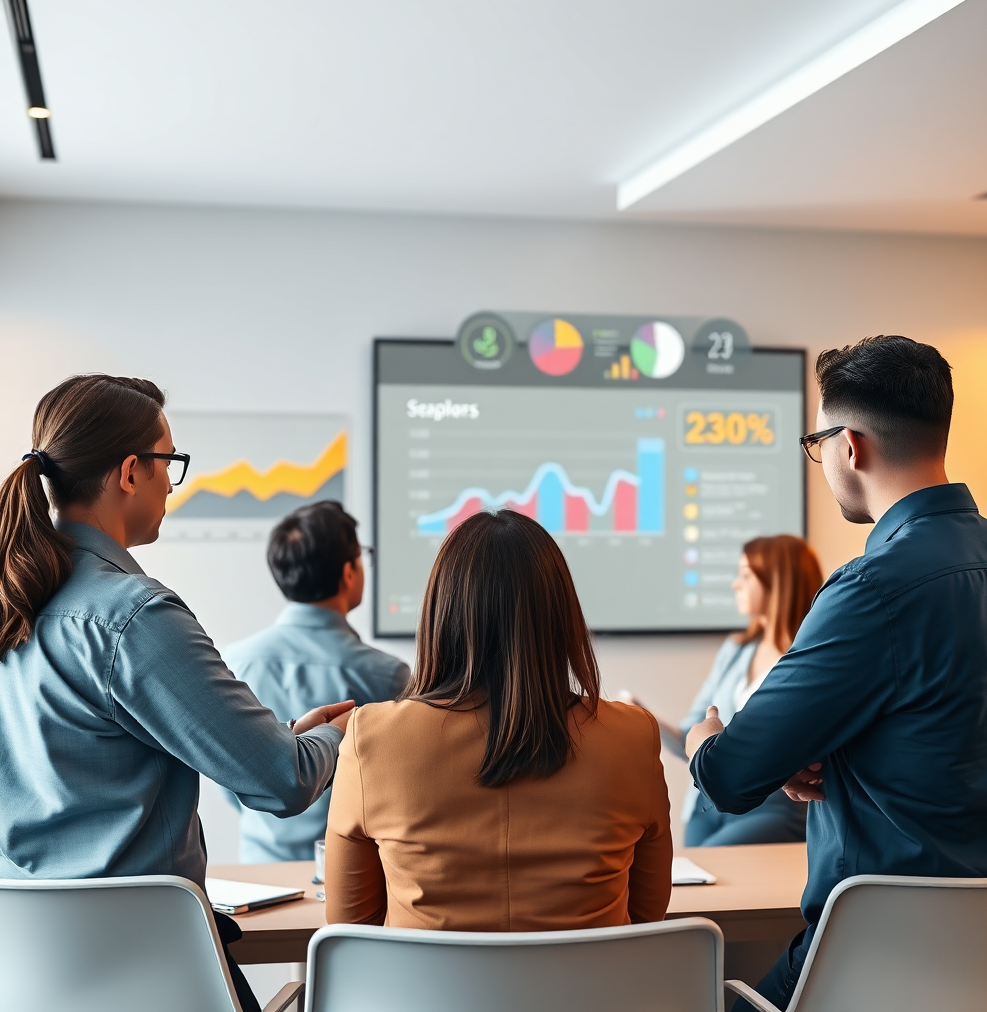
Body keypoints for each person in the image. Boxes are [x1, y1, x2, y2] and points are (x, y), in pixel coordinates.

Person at [685, 336, 987, 1012]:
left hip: (874, 964)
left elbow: (729, 777)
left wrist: (704, 736)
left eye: (816, 445)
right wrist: (827, 757)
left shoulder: (871, 589)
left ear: (850, 446)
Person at [0, 375, 353, 1012]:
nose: (171, 483)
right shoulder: (133, 617)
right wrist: (338, 737)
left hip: (32, 985)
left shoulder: (14, 605)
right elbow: (281, 783)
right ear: (130, 472)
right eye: (169, 462)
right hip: (156, 981)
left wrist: (284, 743)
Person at [323, 508, 673, 930]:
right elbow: (647, 916)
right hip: (591, 978)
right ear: (561, 617)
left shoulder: (370, 738)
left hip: (428, 979)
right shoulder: (633, 736)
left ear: (440, 615)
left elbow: (351, 930)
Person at [222, 500, 410, 862]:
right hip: (354, 872)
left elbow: (229, 775)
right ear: (349, 572)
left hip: (261, 869)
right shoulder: (387, 675)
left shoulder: (234, 662)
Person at [629, 536, 823, 846]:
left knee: (711, 863)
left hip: (772, 805)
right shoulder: (735, 650)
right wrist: (644, 720)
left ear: (778, 582)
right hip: (706, 802)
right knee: (687, 869)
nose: (735, 584)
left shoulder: (811, 656)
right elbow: (692, 738)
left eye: (746, 575)